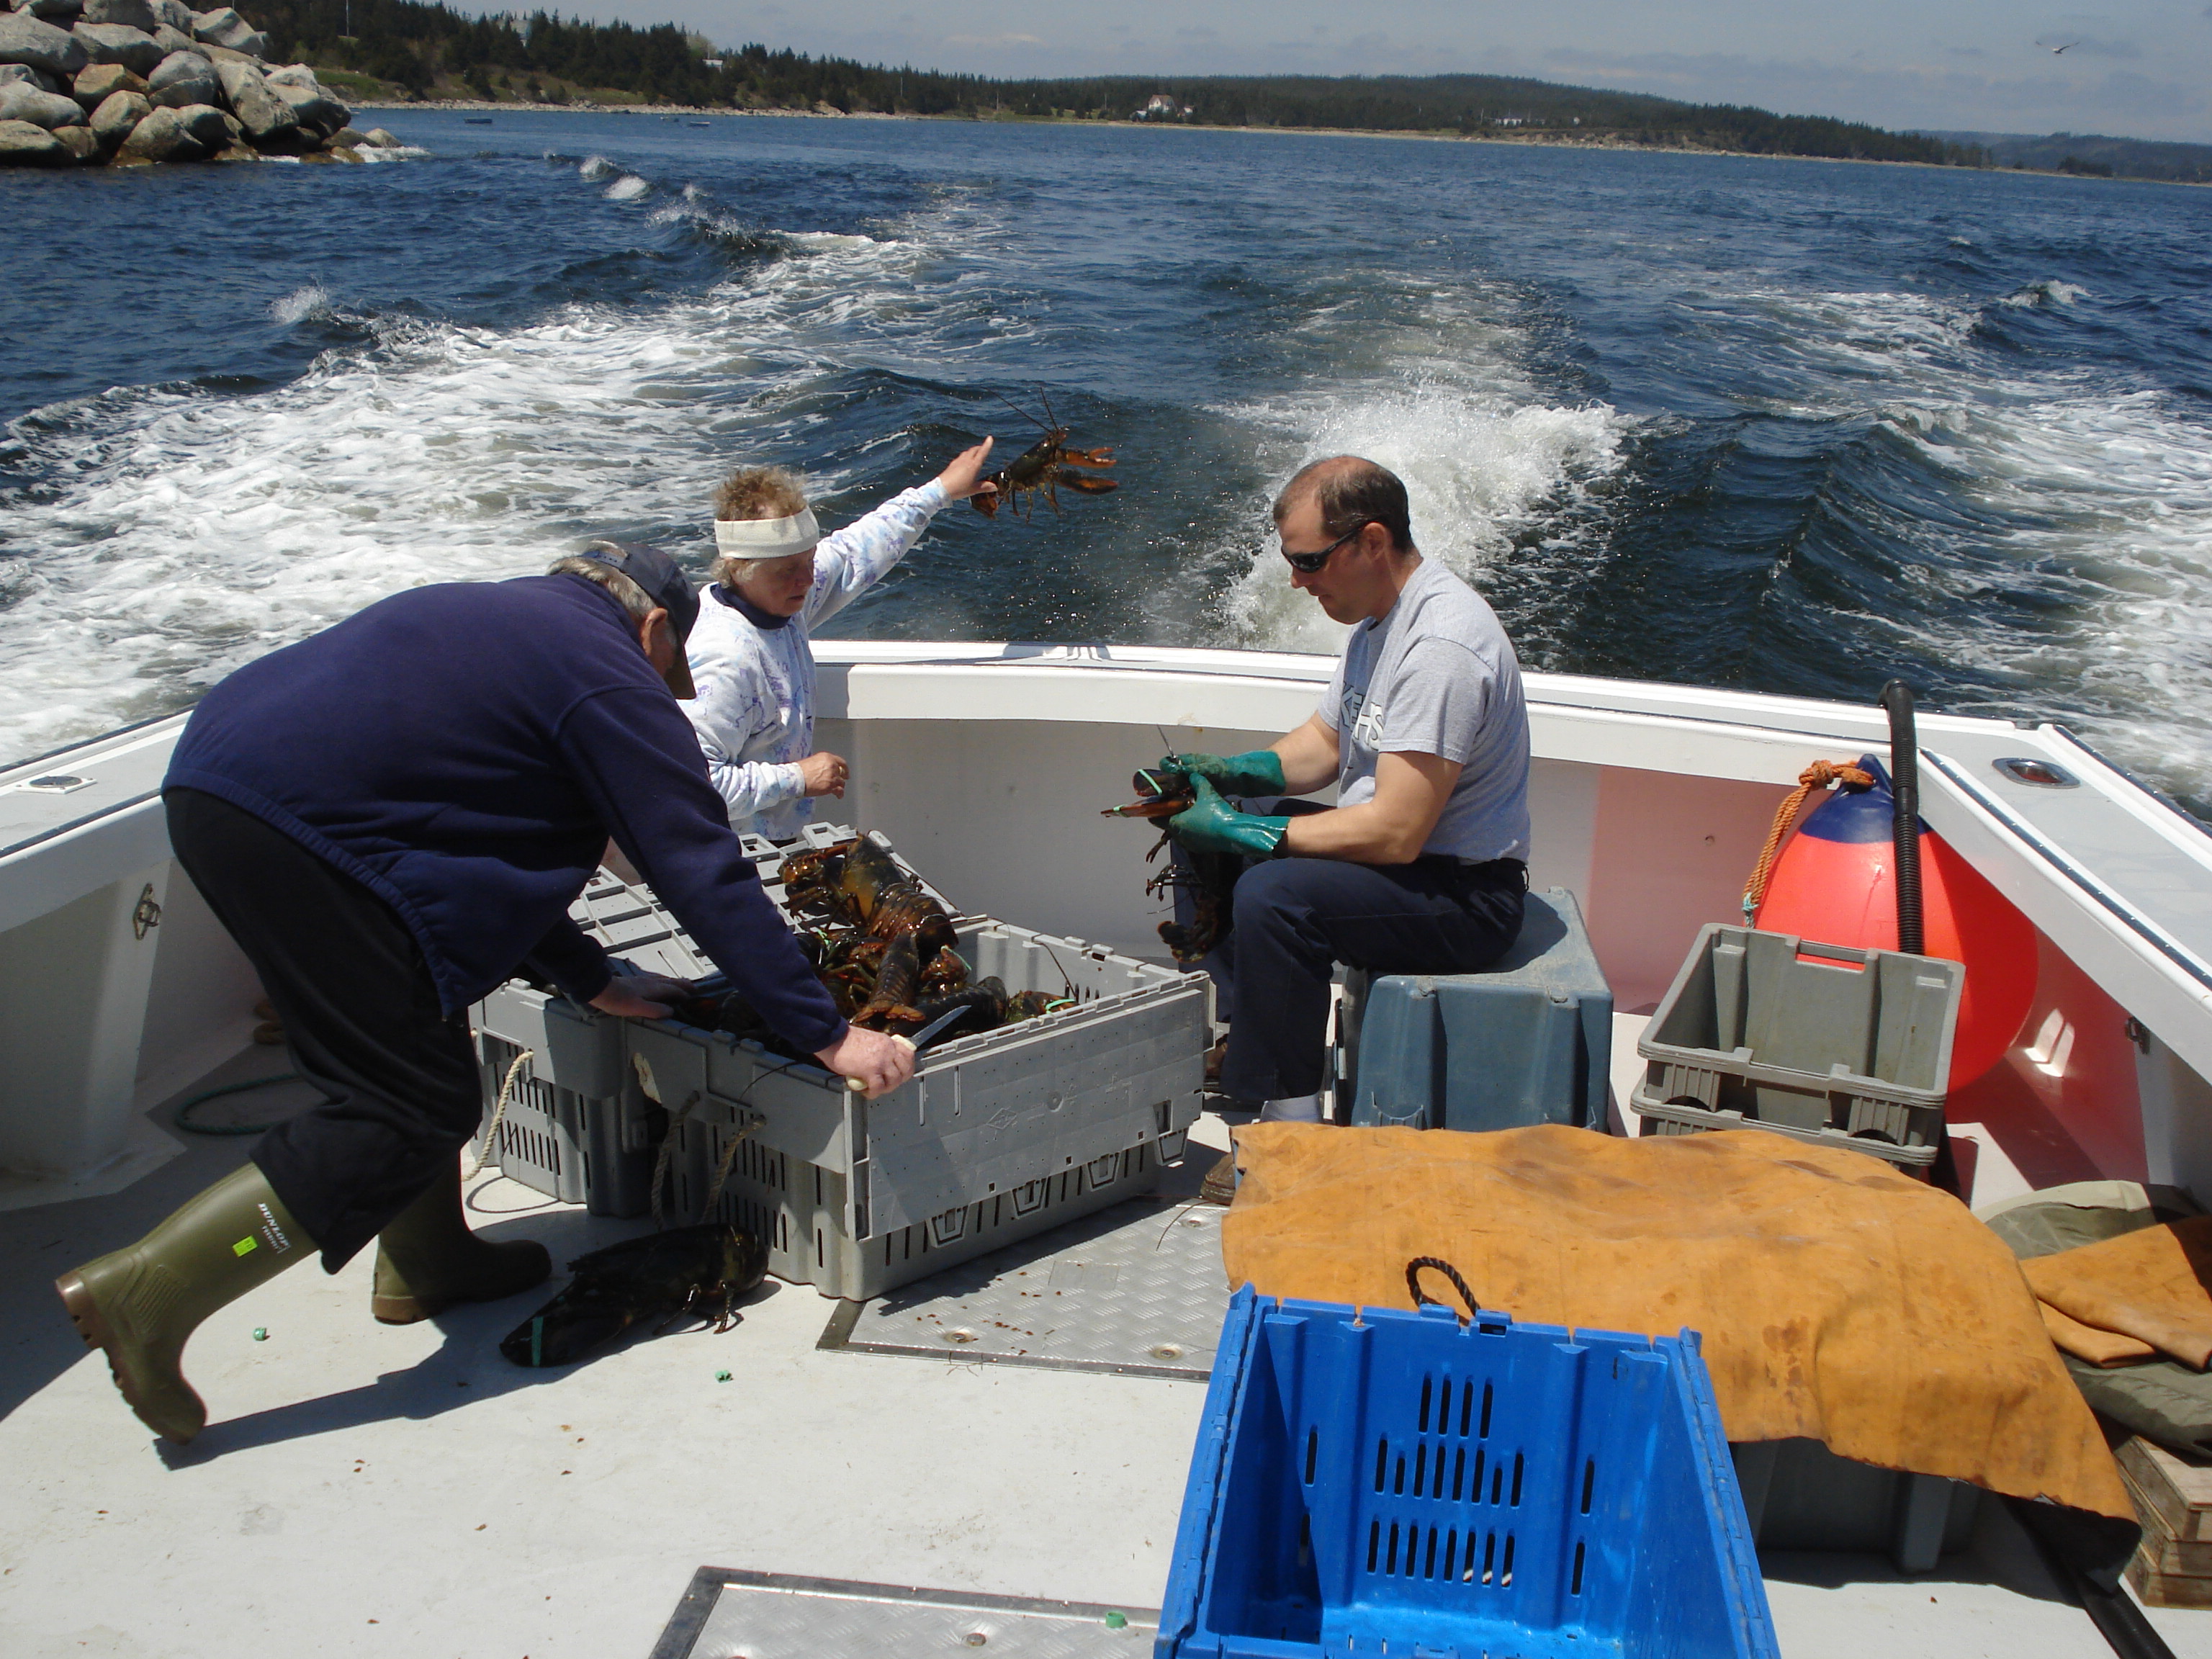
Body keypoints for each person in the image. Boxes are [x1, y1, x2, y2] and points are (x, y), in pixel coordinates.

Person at [55, 543, 913, 1446]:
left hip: (226, 784)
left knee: (422, 1019)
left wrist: (592, 977)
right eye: (674, 674)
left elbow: (469, 844)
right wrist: (829, 1037)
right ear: (654, 629)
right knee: (408, 1104)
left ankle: (425, 1262)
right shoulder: (607, 674)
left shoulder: (513, 624)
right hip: (297, 828)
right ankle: (147, 1292)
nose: (672, 697)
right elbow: (698, 867)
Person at [1162, 454, 1532, 1141]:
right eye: (1291, 563)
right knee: (1196, 834)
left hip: (1467, 896)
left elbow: (1396, 832)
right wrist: (1226, 775)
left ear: (1371, 541)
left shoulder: (1441, 646)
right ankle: (1251, 1042)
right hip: (1411, 864)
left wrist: (1254, 837)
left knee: (1273, 895)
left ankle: (1290, 1125)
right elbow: (1324, 746)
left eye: (1310, 563)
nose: (1298, 582)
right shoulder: (1378, 621)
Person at [688, 442, 999, 840]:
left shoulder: (780, 600)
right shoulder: (726, 659)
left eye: (809, 562)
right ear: (739, 568)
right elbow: (694, 785)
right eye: (787, 571)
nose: (806, 580)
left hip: (772, 839)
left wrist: (939, 492)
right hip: (730, 851)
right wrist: (797, 778)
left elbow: (857, 552)